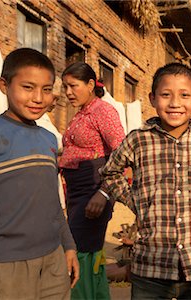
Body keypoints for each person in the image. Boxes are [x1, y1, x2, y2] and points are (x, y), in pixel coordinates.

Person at [93, 62, 191, 299]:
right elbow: (110, 172)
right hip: (152, 265)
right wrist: (133, 200)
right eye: (166, 95)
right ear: (152, 98)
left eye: (184, 95)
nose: (175, 103)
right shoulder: (139, 140)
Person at [0, 48, 79, 299]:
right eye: (28, 87)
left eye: (46, 89)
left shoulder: (49, 139)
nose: (38, 98)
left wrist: (68, 247)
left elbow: (53, 203)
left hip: (53, 265)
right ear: (4, 85)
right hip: (4, 270)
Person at [59, 62, 125, 299]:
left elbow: (123, 155)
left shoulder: (103, 112)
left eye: (73, 86)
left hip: (94, 190)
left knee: (78, 251)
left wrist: (105, 193)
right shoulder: (82, 113)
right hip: (78, 191)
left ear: (90, 85)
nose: (67, 92)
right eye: (65, 86)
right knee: (89, 251)